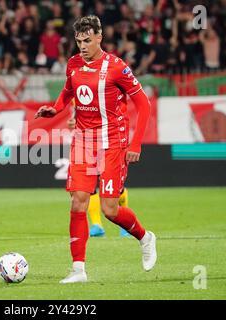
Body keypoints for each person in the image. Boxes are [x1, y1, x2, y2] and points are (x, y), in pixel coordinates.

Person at [35, 15, 157, 283]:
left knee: (110, 210)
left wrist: (135, 144)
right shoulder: (73, 64)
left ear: (100, 38)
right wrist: (55, 108)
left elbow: (144, 104)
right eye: (79, 41)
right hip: (83, 141)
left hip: (113, 141)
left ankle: (145, 237)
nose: (82, 46)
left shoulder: (116, 67)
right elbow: (68, 91)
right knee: (78, 200)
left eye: (87, 40)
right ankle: (78, 270)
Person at [67, 110, 131, 238]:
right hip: (88, 142)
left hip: (110, 141)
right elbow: (77, 114)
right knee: (88, 186)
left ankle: (125, 226)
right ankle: (97, 225)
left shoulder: (108, 92)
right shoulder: (76, 93)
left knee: (114, 186)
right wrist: (73, 121)